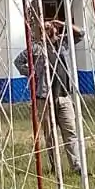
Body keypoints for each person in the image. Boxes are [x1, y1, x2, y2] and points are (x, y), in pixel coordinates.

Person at [14, 13, 83, 177]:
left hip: (64, 96)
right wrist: (32, 74)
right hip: (45, 98)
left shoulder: (63, 43)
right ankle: (55, 167)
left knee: (70, 132)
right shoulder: (36, 47)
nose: (47, 28)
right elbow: (18, 61)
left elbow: (81, 33)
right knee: (50, 135)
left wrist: (63, 23)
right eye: (43, 27)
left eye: (49, 26)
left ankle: (77, 166)